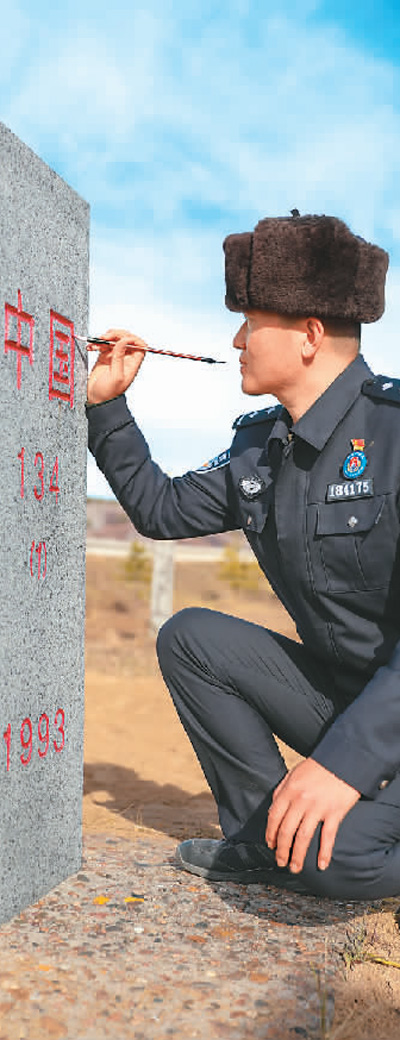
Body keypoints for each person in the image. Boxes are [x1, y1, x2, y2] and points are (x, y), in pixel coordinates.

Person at [86, 212, 400, 901]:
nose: (236, 340)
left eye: (251, 323)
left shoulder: (396, 436)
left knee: (333, 861)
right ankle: (262, 841)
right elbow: (161, 509)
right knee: (192, 638)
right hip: (348, 698)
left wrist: (344, 765)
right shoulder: (263, 448)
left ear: (309, 335)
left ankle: (322, 839)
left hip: (390, 713)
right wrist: (109, 407)